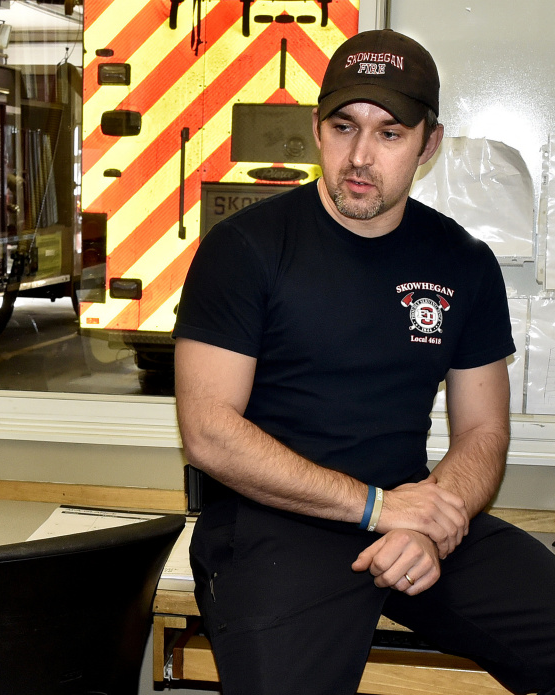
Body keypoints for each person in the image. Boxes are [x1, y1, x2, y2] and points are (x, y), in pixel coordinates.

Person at [173, 29, 555, 695]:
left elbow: (483, 431)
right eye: (344, 125)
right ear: (318, 128)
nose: (359, 155)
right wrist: (379, 508)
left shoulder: (462, 263)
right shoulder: (245, 248)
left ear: (428, 144)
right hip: (272, 528)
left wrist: (434, 522)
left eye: (390, 133)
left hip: (410, 512)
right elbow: (208, 430)